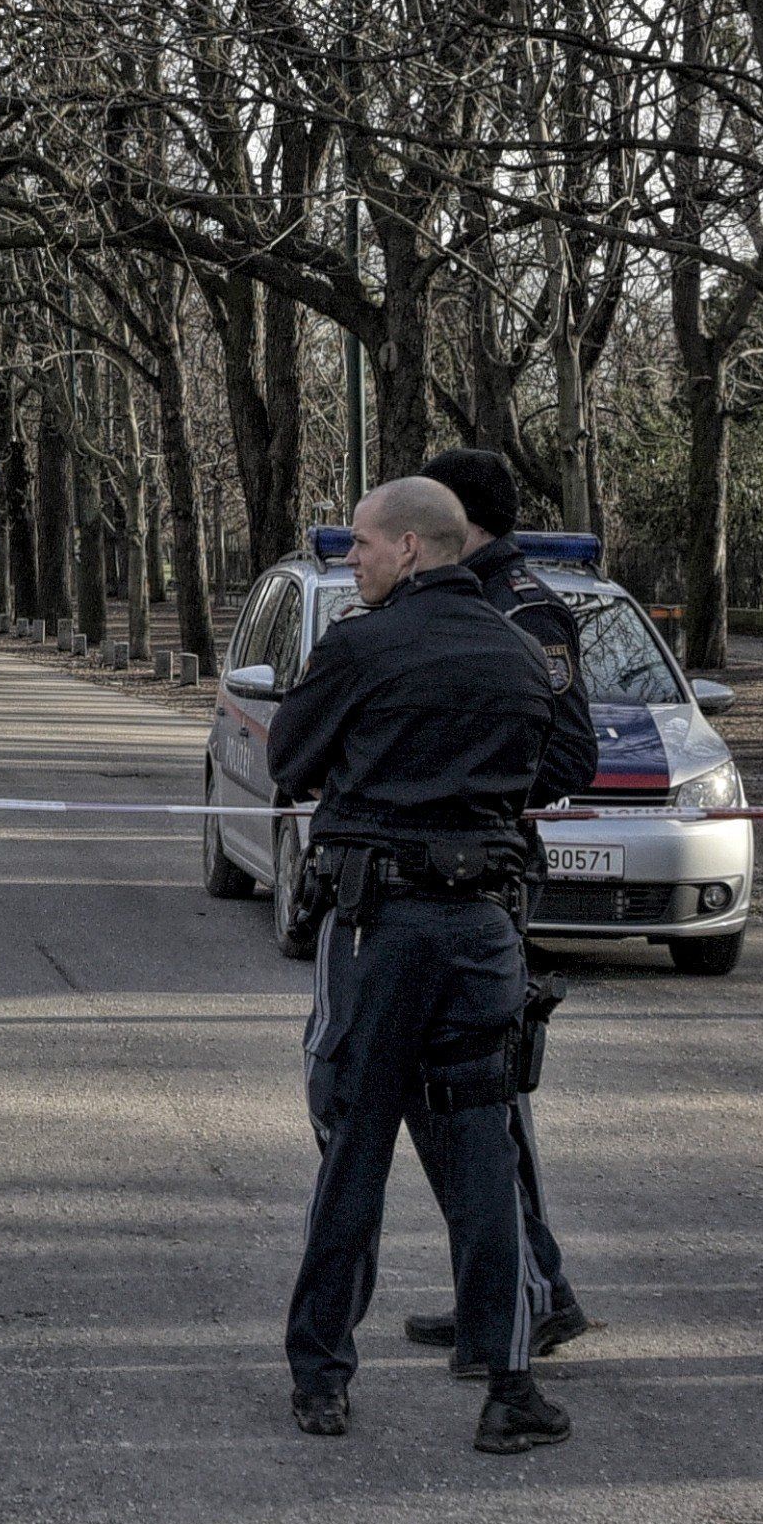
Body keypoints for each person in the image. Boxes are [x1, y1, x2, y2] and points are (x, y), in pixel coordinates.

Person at [273, 475, 602, 1453]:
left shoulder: (360, 646)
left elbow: (291, 757)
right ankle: (508, 1387)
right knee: (483, 1157)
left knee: (355, 1146)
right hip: (484, 935)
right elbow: (556, 765)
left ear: (412, 548)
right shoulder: (517, 652)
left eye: (364, 546)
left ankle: (321, 1376)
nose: (353, 561)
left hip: (381, 931)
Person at [394, 446, 599, 1374]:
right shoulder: (459, 600)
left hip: (487, 875)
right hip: (441, 878)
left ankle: (530, 1293)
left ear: (462, 521)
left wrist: (465, 782)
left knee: (486, 1095)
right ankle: (508, 1286)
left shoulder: (521, 609)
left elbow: (568, 757)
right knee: (461, 1099)